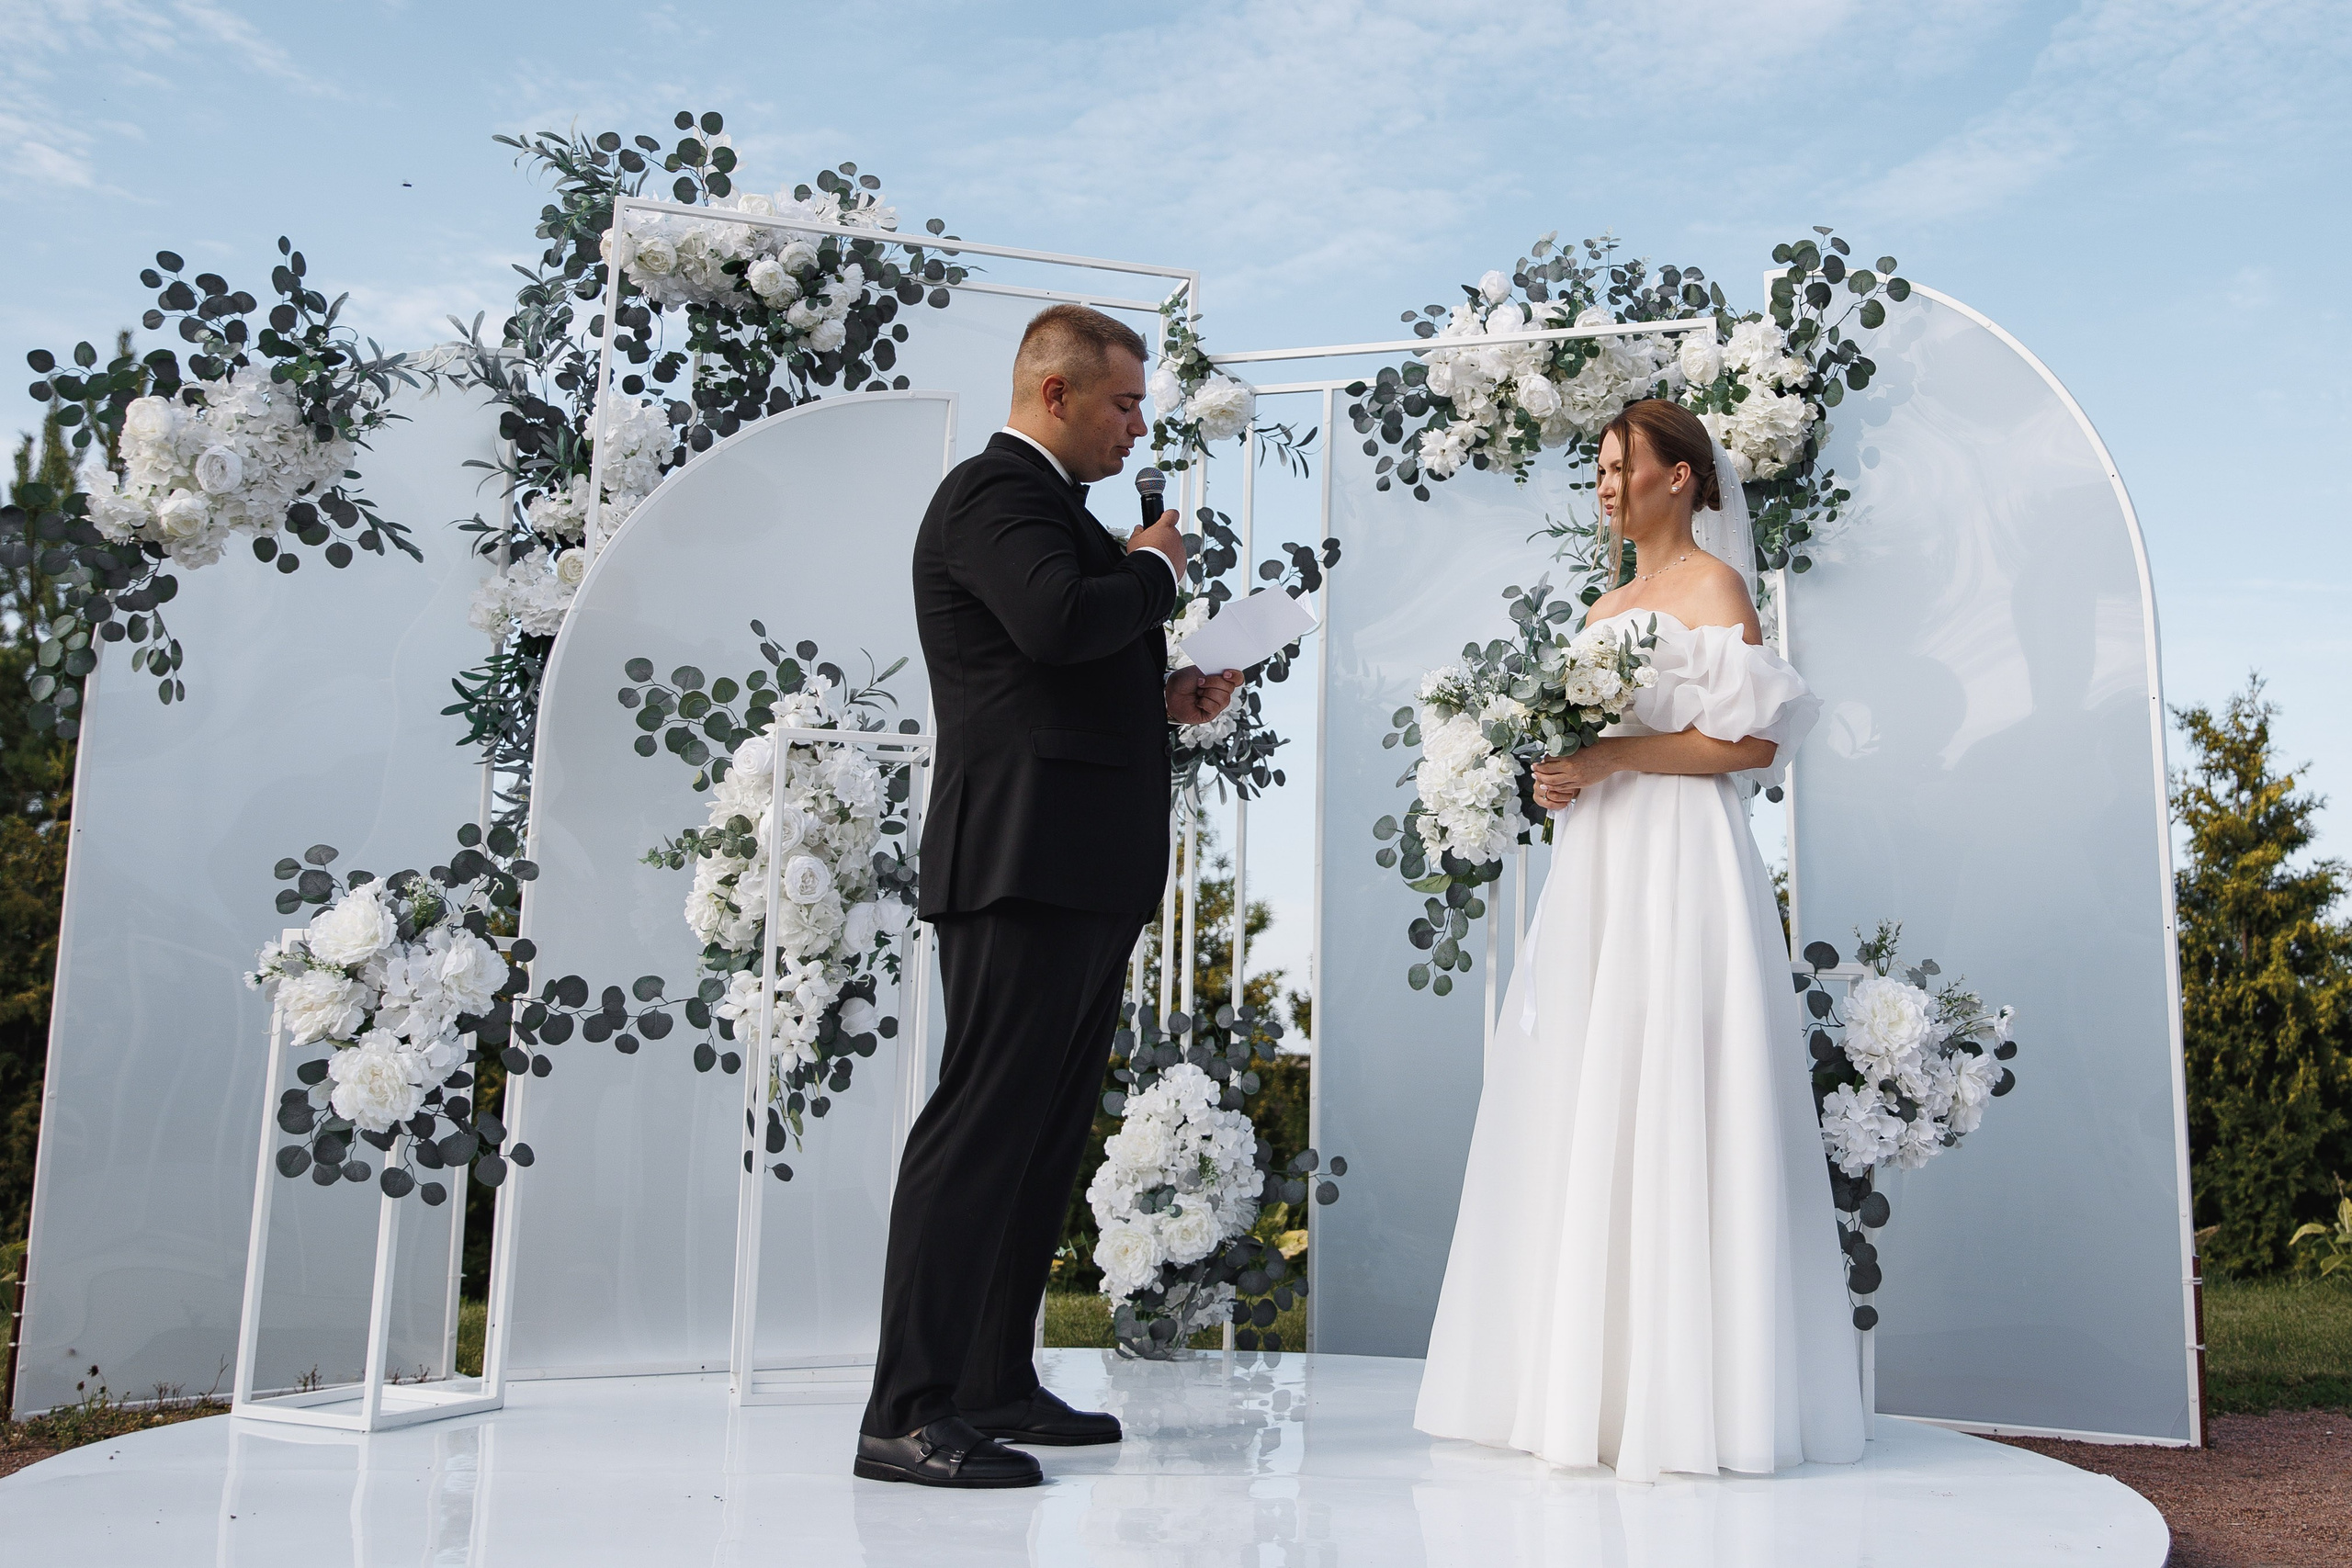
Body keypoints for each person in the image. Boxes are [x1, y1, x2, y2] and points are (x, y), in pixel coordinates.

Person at [1412, 399, 1866, 1483]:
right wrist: (1562, 773)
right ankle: (1590, 1388)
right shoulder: (1602, 604)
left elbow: (1749, 741)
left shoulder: (1715, 590)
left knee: (1680, 1084)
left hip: (1682, 864)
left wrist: (1613, 761)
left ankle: (1695, 1397)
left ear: (1682, 477)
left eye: (1624, 466)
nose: (1607, 485)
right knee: (1591, 1084)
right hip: (1604, 864)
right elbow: (1595, 745)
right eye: (1601, 469)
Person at [855, 305, 1242, 1489]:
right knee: (978, 1132)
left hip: (1077, 866)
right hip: (1017, 862)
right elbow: (1056, 620)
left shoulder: (1056, 519)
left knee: (1036, 1137)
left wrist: (1163, 694)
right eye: (1124, 404)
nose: (1138, 427)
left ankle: (990, 1381)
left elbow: (1063, 665)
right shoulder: (992, 496)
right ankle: (904, 1411)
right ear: (1057, 394)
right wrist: (1151, 573)